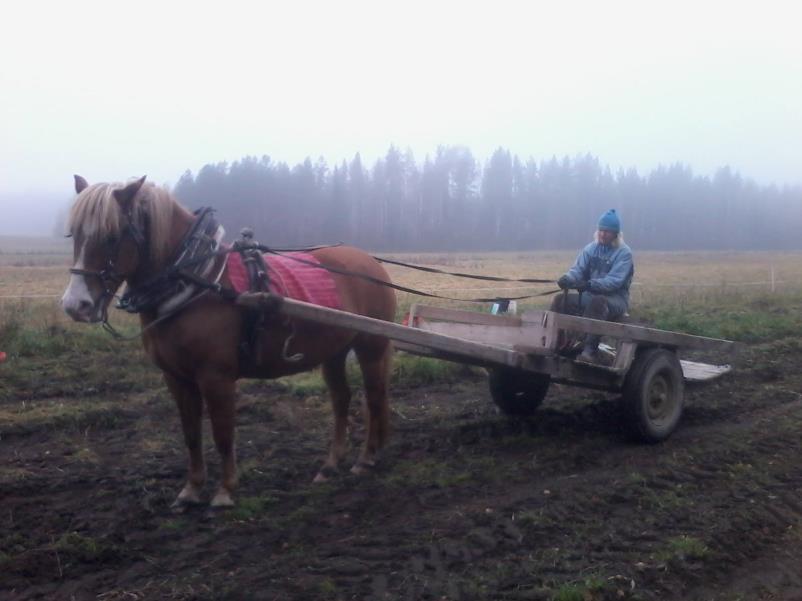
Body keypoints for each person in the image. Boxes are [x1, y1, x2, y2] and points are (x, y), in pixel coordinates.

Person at [554, 209, 634, 363]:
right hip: (590, 296)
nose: (603, 234)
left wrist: (589, 284)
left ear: (616, 233)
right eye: (601, 230)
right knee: (560, 301)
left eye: (607, 231)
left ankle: (589, 351)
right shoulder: (590, 249)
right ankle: (557, 343)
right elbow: (577, 270)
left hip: (615, 300)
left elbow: (614, 282)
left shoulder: (624, 254)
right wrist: (567, 279)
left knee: (598, 302)